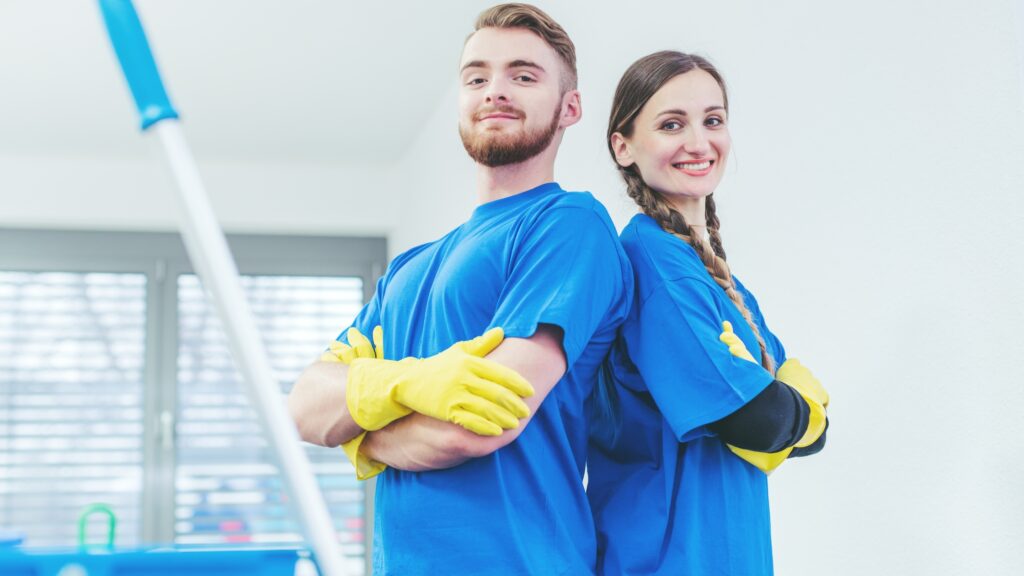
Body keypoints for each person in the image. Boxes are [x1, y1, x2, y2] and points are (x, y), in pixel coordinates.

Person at [287, 4, 632, 575]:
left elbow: (476, 425)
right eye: (477, 77)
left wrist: (359, 435)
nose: (495, 90)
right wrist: (412, 382)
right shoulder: (407, 269)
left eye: (523, 75)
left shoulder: (569, 225)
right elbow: (304, 407)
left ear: (570, 107)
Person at [586, 50, 830, 575]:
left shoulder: (722, 282)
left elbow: (799, 430)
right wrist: (802, 405)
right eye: (672, 124)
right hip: (667, 560)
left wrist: (792, 413)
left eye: (712, 120)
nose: (699, 143)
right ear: (622, 146)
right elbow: (761, 420)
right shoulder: (651, 259)